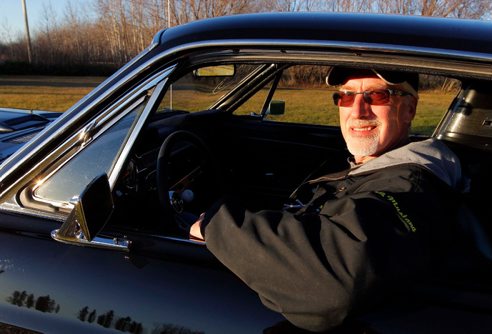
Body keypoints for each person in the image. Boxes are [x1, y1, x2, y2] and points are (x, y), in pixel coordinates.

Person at [189, 67, 467, 332]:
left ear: (410, 109)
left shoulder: (408, 188)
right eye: (346, 96)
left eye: (378, 95)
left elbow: (332, 283)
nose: (358, 111)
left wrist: (215, 226)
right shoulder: (378, 165)